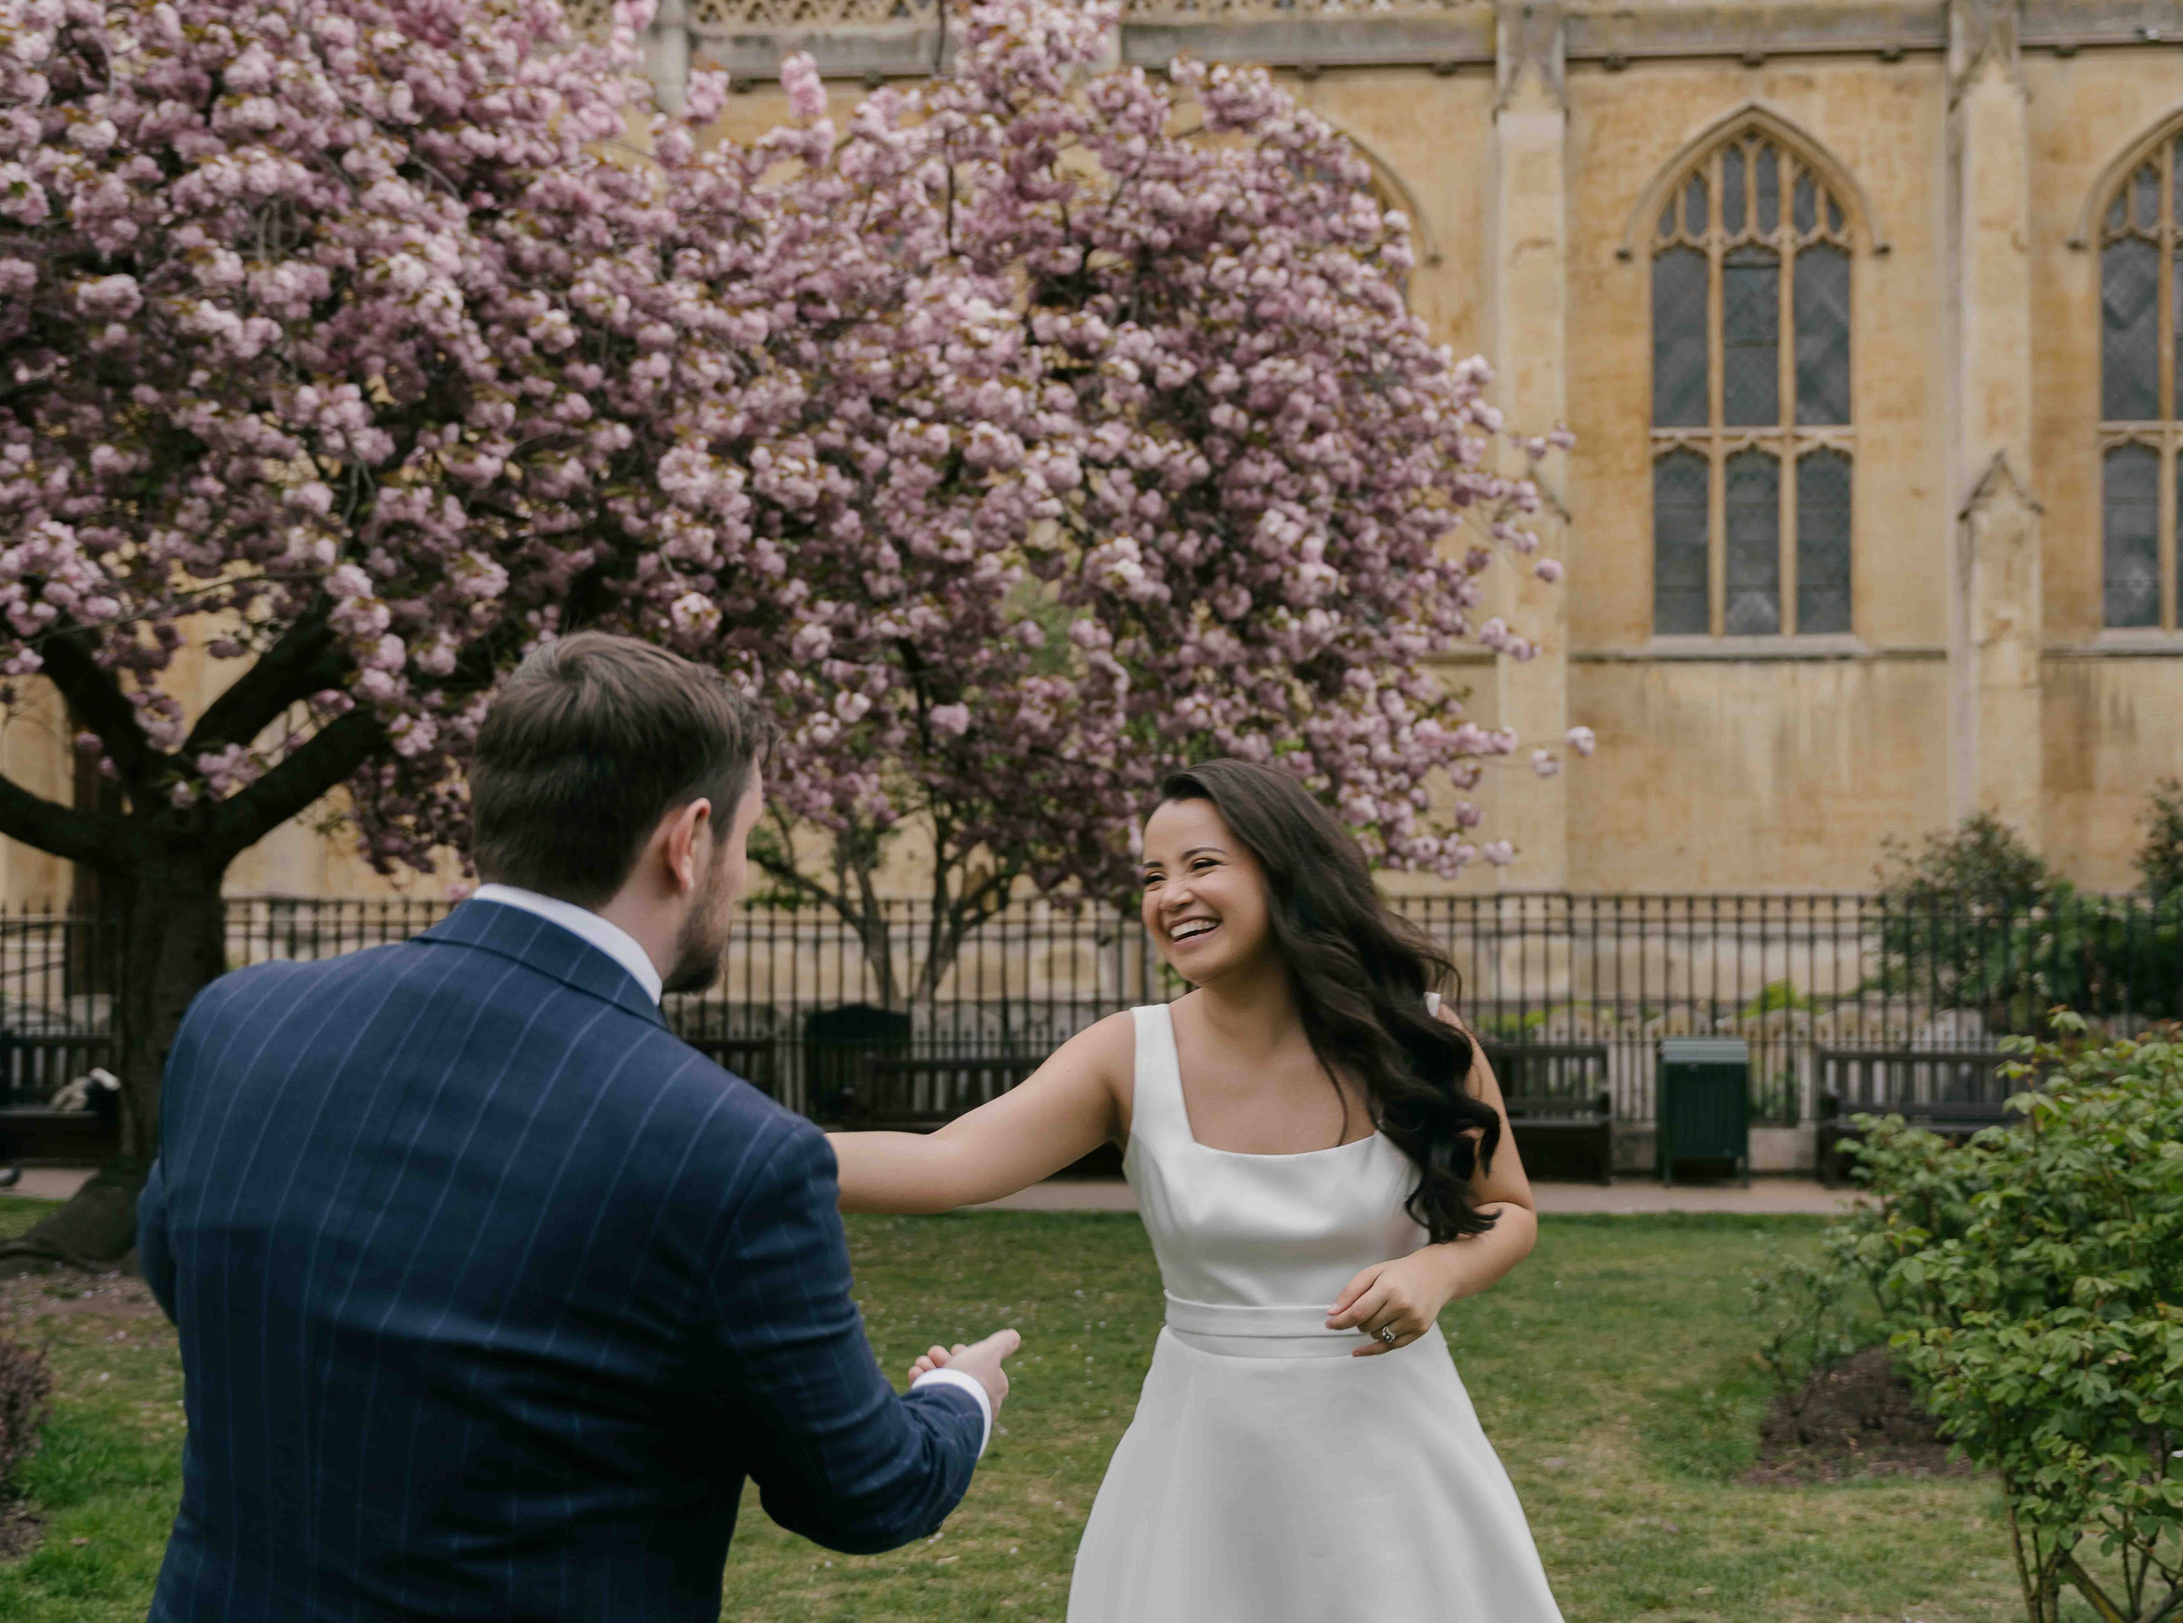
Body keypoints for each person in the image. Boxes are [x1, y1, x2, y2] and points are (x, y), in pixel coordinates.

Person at [137, 633, 1019, 1623]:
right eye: (744, 843)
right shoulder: (727, 1151)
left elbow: (190, 1280)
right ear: (687, 842)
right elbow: (865, 1490)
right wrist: (964, 1399)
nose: (740, 876)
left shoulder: (241, 1021)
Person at [832, 758, 1565, 1622]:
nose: (1170, 894)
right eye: (1152, 876)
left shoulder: (1420, 1038)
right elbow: (946, 1162)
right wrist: (731, 1150)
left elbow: (1509, 1213)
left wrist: (1438, 1272)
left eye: (1201, 864)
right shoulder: (1125, 1055)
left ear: (1285, 869)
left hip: (1395, 1455)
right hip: (1201, 1462)